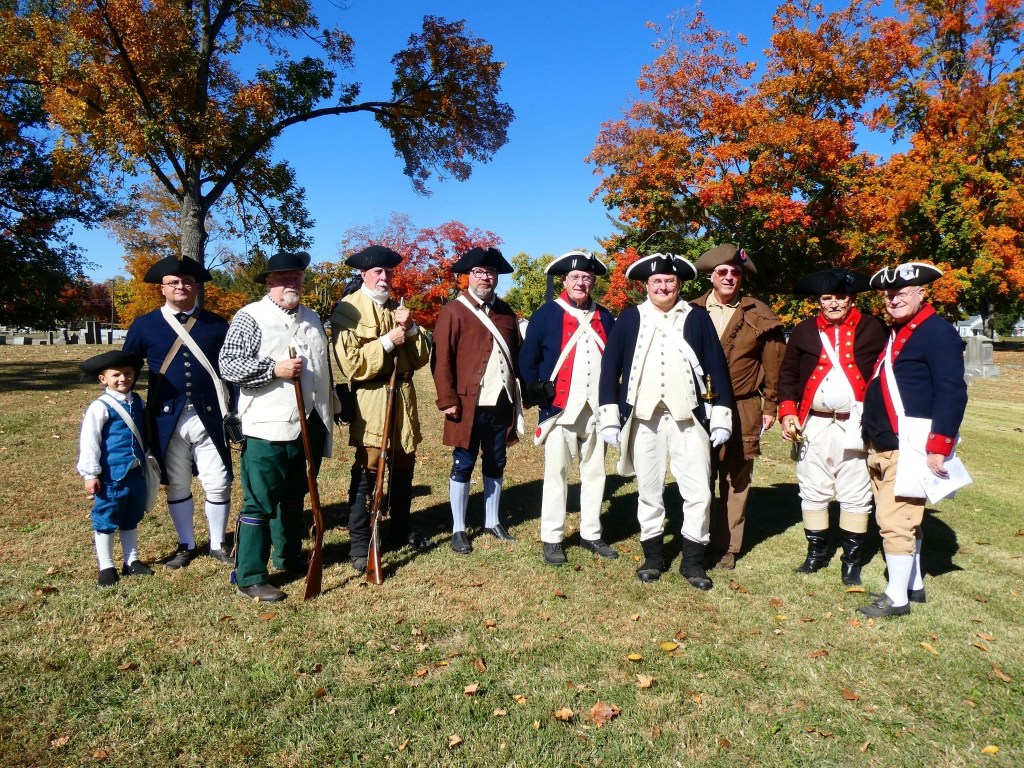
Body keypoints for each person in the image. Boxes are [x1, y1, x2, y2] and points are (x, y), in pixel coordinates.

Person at [598, 253, 734, 589]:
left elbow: (717, 366)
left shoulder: (697, 318)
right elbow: (609, 369)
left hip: (688, 418)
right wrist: (609, 416)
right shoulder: (630, 318)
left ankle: (692, 561)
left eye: (670, 281)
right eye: (657, 281)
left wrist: (720, 415)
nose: (663, 286)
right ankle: (654, 556)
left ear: (679, 285)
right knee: (649, 488)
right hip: (644, 418)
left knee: (698, 489)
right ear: (647, 285)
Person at [219, 251, 335, 602]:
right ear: (269, 283)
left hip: (309, 422)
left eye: (297, 278)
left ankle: (288, 555)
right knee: (259, 501)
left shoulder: (313, 317)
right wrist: (274, 370)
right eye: (284, 278)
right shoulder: (250, 316)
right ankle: (249, 574)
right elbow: (229, 365)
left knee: (293, 494)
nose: (292, 284)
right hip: (267, 426)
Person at [857, 263, 968, 618]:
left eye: (903, 292)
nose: (894, 299)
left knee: (896, 519)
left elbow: (952, 393)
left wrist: (939, 447)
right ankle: (914, 584)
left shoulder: (937, 333)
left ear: (922, 293)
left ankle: (896, 598)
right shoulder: (901, 331)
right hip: (883, 441)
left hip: (908, 444)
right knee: (907, 518)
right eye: (889, 295)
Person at [122, 255, 233, 568]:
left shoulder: (216, 323)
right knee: (177, 482)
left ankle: (218, 542)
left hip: (209, 414)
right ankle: (186, 543)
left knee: (218, 480)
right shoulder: (145, 325)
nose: (181, 287)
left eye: (187, 282)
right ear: (162, 289)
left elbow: (230, 369)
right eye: (174, 283)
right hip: (165, 416)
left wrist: (234, 410)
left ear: (196, 287)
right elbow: (126, 368)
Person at [777, 269, 887, 586]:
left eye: (840, 297)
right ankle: (816, 553)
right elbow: (788, 377)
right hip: (814, 423)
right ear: (820, 301)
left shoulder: (873, 328)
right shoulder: (803, 331)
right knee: (813, 488)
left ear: (851, 298)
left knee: (855, 492)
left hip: (855, 424)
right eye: (827, 298)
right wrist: (787, 412)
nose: (834, 303)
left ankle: (851, 561)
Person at [331, 245, 435, 574]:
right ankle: (361, 542)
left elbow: (419, 358)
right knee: (368, 468)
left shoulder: (398, 308)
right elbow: (352, 364)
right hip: (371, 397)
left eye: (388, 272)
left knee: (404, 465)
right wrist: (389, 340)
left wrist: (413, 326)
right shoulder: (348, 310)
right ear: (363, 274)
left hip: (403, 395)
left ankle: (400, 528)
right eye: (377, 272)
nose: (384, 277)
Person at [692, 244, 786, 570]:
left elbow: (774, 365)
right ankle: (698, 539)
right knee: (699, 476)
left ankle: (728, 546)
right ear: (712, 276)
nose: (729, 277)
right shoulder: (690, 311)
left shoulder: (760, 315)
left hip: (743, 406)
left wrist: (771, 405)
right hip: (698, 409)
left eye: (735, 272)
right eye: (722, 272)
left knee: (736, 479)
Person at [520, 250, 617, 567]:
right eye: (576, 277)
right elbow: (527, 361)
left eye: (587, 278)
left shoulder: (604, 316)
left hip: (597, 411)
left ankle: (591, 533)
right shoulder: (546, 315)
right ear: (565, 280)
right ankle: (552, 537)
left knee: (595, 474)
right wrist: (538, 393)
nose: (581, 282)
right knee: (557, 475)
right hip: (560, 409)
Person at [432, 246, 523, 555]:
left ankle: (492, 520)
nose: (486, 277)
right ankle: (458, 527)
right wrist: (447, 399)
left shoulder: (506, 311)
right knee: (463, 462)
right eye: (480, 272)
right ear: (468, 276)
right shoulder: (454, 311)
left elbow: (519, 353)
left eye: (491, 273)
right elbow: (441, 358)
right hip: (467, 403)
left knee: (496, 460)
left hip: (501, 401)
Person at [77, 350, 155, 587]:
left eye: (128, 374)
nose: (123, 379)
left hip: (135, 471)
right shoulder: (100, 407)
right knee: (107, 518)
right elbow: (89, 441)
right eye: (116, 375)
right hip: (111, 475)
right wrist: (90, 474)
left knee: (131, 516)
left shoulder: (138, 401)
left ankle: (131, 560)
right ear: (103, 379)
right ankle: (106, 566)